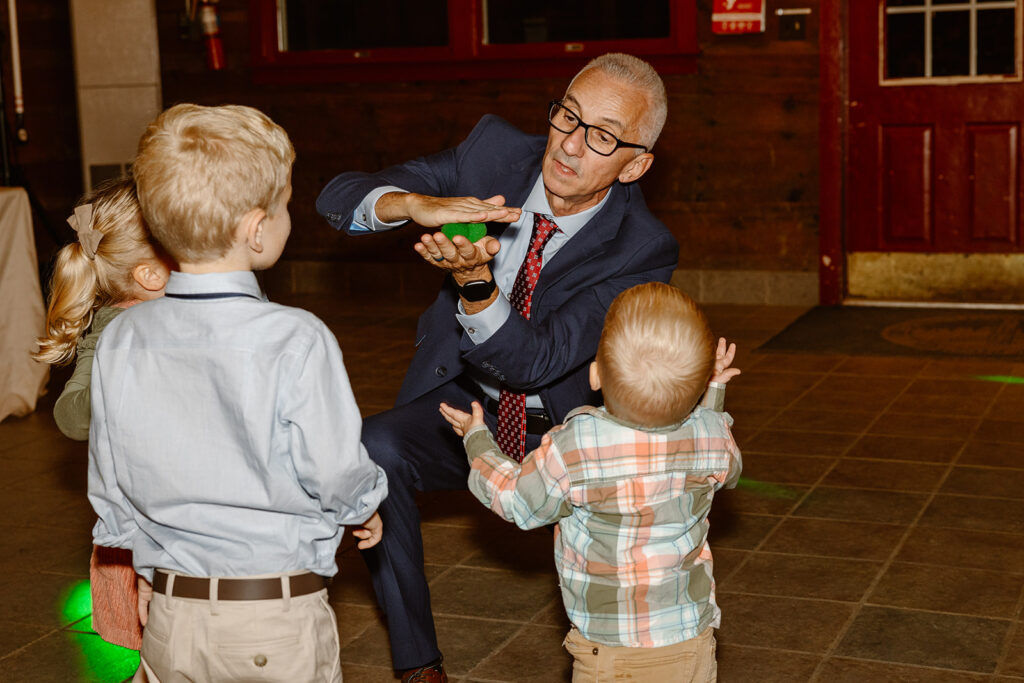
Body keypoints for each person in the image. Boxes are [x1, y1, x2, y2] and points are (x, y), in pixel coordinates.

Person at [317, 53, 678, 681]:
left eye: (602, 136)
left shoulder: (641, 247)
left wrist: (475, 285)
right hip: (466, 403)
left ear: (635, 164)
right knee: (374, 448)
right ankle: (418, 667)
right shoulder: (493, 153)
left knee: (619, 588)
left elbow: (532, 362)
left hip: (567, 430)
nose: (569, 146)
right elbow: (336, 198)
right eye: (568, 116)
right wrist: (414, 204)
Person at [88, 103, 388, 683]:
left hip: (172, 619)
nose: (287, 216)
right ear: (256, 228)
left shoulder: (120, 339)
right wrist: (363, 503)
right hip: (274, 622)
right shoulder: (296, 339)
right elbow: (331, 466)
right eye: (284, 205)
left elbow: (112, 483)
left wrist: (147, 573)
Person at [440, 282, 742, 682]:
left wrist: (478, 442)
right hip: (690, 641)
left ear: (595, 374)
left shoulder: (578, 445)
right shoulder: (712, 436)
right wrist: (713, 394)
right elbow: (727, 469)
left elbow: (517, 501)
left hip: (610, 654)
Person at [33, 176, 174, 659]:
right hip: (146, 525)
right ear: (151, 273)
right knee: (164, 650)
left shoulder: (191, 313)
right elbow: (72, 417)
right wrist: (126, 393)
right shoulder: (115, 329)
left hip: (191, 514)